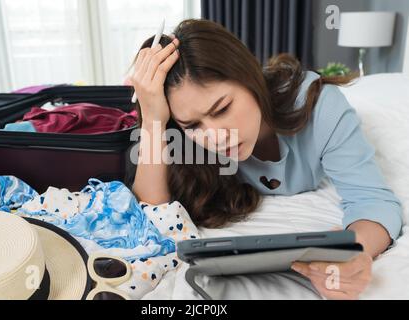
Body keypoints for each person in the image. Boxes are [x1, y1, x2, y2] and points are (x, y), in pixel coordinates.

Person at [127, 19, 403, 300]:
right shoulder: (184, 139)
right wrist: (152, 118)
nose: (217, 137)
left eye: (222, 109)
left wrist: (353, 252)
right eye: (193, 125)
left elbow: (372, 200)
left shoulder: (321, 106)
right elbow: (151, 211)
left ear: (249, 77)